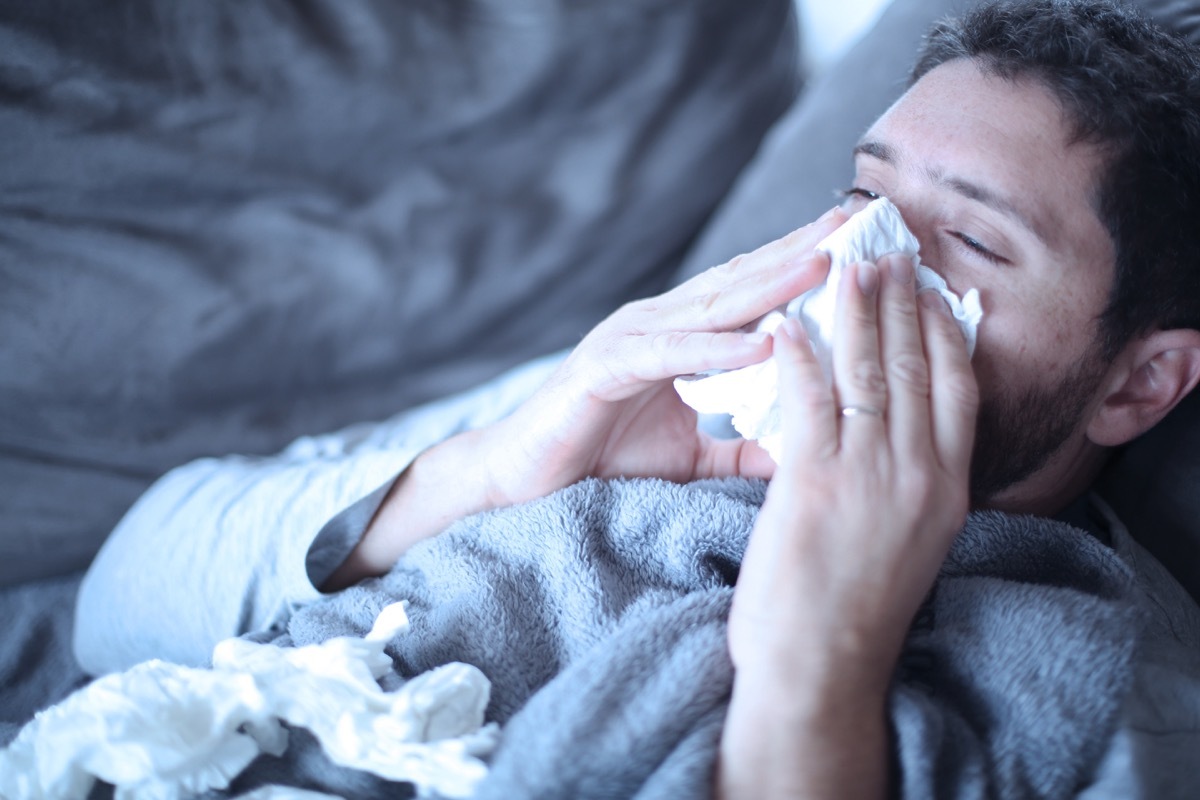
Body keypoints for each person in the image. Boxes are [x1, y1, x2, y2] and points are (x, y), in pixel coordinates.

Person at [74, 0, 1200, 796]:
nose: (859, 266)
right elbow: (110, 604)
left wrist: (822, 655)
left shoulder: (1118, 706)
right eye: (862, 194)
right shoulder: (660, 402)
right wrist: (503, 465)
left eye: (967, 240)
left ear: (1139, 380)